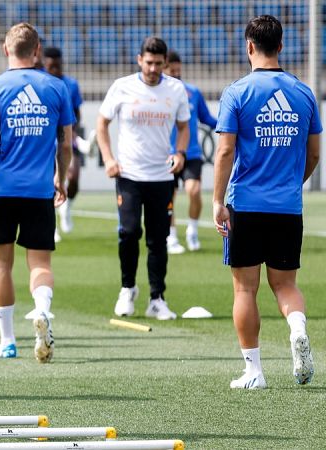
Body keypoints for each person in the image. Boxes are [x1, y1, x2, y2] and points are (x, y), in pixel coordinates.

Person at [213, 15, 320, 389]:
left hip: (245, 204)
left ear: (249, 47)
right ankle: (296, 328)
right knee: (285, 285)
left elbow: (225, 151)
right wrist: (292, 183)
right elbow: (314, 154)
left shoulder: (238, 92)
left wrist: (217, 201)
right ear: (281, 46)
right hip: (287, 207)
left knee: (245, 289)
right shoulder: (304, 93)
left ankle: (254, 371)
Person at [0, 23, 73, 362]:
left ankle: (7, 341)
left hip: (1, 187)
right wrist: (60, 179)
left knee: (1, 265)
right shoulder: (55, 87)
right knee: (40, 262)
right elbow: (65, 144)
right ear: (37, 51)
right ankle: (42, 310)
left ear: (7, 50)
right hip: (39, 190)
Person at [97, 37, 190, 321]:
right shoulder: (122, 86)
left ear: (165, 63)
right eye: (148, 63)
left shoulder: (175, 89)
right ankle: (127, 288)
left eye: (158, 64)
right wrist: (109, 159)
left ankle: (157, 298)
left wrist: (181, 153)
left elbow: (184, 127)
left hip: (162, 176)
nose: (152, 68)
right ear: (139, 60)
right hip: (129, 174)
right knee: (128, 232)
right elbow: (102, 124)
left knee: (158, 238)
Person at [164, 50, 217, 253]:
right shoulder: (159, 95)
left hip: (191, 153)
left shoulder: (193, 92)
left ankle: (192, 231)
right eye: (172, 70)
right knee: (168, 197)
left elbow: (206, 118)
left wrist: (225, 126)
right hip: (166, 154)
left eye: (179, 70)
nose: (177, 74)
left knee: (193, 191)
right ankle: (171, 237)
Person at [43, 47, 84, 241]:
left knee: (74, 176)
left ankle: (67, 209)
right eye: (50, 66)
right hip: (46, 139)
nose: (54, 69)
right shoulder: (41, 84)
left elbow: (77, 112)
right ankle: (51, 226)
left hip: (66, 136)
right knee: (48, 181)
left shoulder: (70, 84)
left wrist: (73, 132)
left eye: (57, 66)